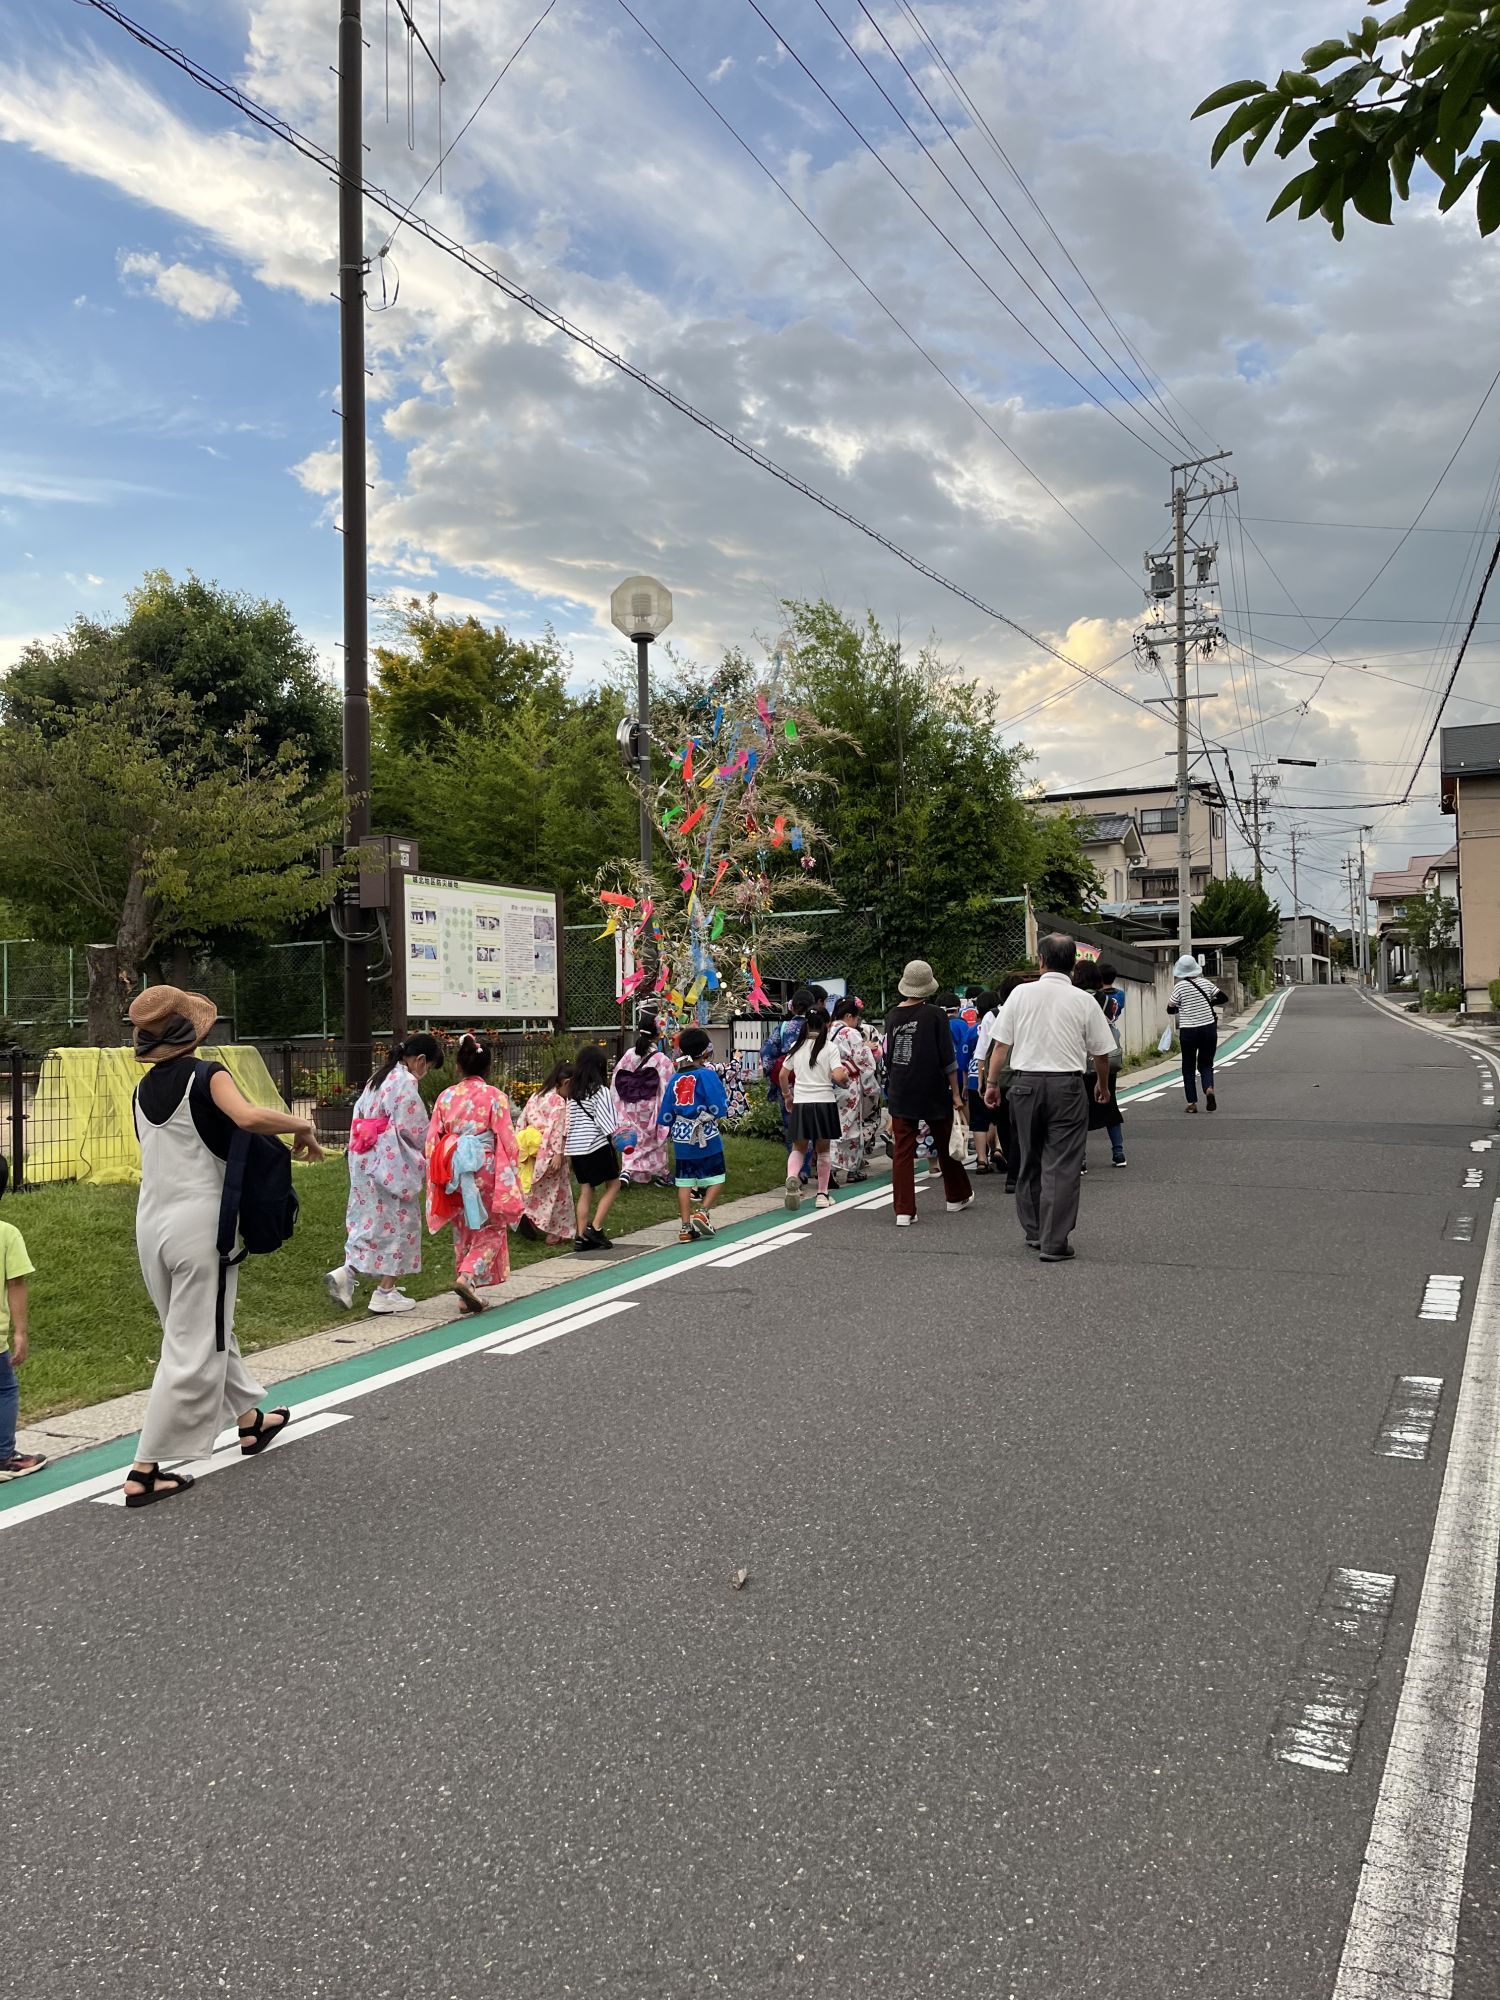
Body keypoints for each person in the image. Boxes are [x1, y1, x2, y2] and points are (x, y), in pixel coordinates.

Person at [124, 985, 324, 1509]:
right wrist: (303, 1125)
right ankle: (144, 1470)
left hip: (151, 1224)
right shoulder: (206, 1075)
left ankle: (251, 1421)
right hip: (199, 1226)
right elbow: (248, 1118)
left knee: (201, 1329)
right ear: (191, 1033)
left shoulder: (142, 1091)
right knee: (193, 1342)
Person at [982, 936, 1114, 1262]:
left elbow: (1000, 1046)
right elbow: (1101, 1052)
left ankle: (1034, 1230)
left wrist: (992, 1084)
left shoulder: (1020, 994)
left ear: (1041, 960)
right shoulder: (1084, 1000)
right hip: (1067, 1087)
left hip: (1024, 1085)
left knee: (1029, 1158)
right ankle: (1054, 1241)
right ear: (1073, 964)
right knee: (1062, 1164)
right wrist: (1102, 1085)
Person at [326, 1032, 443, 1317]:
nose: (426, 1072)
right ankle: (385, 1292)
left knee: (369, 1221)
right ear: (420, 1060)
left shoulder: (378, 1077)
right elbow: (414, 1129)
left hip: (365, 1158)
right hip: (390, 1162)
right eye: (428, 1067)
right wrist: (434, 1144)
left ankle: (346, 1273)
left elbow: (361, 1115)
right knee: (400, 1223)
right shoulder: (405, 1083)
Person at [425, 1033, 522, 1313]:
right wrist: (513, 1170)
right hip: (485, 1166)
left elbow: (432, 1140)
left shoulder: (445, 1096)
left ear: (458, 1067)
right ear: (488, 1068)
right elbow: (507, 1139)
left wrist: (438, 1170)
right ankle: (467, 1278)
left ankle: (465, 1294)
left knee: (464, 1228)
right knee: (493, 1226)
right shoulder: (495, 1096)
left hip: (454, 1167)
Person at [884, 960, 974, 1227]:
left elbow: (889, 1058)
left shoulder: (892, 1016)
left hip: (901, 1087)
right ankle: (956, 1196)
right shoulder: (935, 1014)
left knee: (902, 1150)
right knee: (945, 1141)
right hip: (932, 1087)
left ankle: (904, 1210)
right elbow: (948, 1059)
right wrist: (955, 1093)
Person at [658, 1027, 730, 1241]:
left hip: (681, 1134)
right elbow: (718, 1105)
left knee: (684, 1181)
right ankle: (703, 1211)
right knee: (717, 1176)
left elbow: (667, 1110)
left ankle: (685, 1227)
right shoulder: (706, 1075)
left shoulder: (675, 1078)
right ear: (705, 1051)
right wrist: (717, 1113)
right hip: (704, 1131)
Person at [0, 1155, 45, 1482]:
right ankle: (3, 1456)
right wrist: (20, 1332)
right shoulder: (7, 1234)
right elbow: (15, 1283)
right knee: (5, 1390)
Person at [783, 1002, 849, 1211]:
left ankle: (792, 1178)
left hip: (802, 1102)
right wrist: (845, 1080)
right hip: (824, 1103)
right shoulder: (830, 1048)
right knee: (823, 1151)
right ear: (827, 1025)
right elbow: (838, 1076)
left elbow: (783, 1074)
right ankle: (822, 1194)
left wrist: (787, 1096)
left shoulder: (797, 1046)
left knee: (799, 1148)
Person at [567, 1042, 623, 1250]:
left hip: (575, 1148)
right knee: (614, 1184)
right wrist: (618, 1136)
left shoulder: (573, 1093)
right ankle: (596, 1228)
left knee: (586, 1189)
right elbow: (606, 1122)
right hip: (596, 1144)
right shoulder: (600, 1091)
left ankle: (581, 1236)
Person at [1072, 962, 1127, 1168]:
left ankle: (1081, 1159)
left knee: (1079, 1111)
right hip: (1104, 1059)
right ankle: (1118, 1152)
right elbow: (1112, 1018)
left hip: (1078, 1060)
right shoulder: (1107, 1000)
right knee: (1109, 1103)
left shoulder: (1073, 999)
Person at [613, 1015, 676, 1186]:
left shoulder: (629, 1054)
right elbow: (669, 1084)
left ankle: (627, 1170)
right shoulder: (661, 1059)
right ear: (658, 1035)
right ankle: (661, 1173)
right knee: (654, 1138)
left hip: (630, 1102)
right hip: (651, 1104)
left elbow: (617, 1078)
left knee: (632, 1137)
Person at [517, 1060, 575, 1245]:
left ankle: (528, 1213)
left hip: (532, 1148)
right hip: (550, 1149)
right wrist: (558, 1152)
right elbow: (557, 1128)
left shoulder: (537, 1095)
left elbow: (522, 1119)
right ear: (566, 1083)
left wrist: (521, 1143)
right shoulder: (559, 1102)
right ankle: (555, 1231)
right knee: (558, 1192)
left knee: (536, 1188)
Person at [1168, 953, 1228, 1112]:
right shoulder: (1206, 983)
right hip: (1208, 1029)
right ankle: (1209, 1089)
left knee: (1188, 1066)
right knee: (1206, 1063)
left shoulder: (1180, 986)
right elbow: (1223, 997)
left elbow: (1170, 1008)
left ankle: (1192, 1103)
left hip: (1189, 1031)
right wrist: (1209, 1003)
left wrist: (1182, 1007)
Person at [829, 997, 879, 1183]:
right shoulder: (851, 1033)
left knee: (832, 1125)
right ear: (849, 1016)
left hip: (828, 1082)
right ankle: (851, 1169)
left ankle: (828, 1168)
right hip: (848, 1083)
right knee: (850, 1126)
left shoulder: (827, 1029)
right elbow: (864, 1062)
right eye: (857, 1018)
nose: (857, 1022)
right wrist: (872, 1089)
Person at [965, 990, 1001, 1174]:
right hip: (998, 1075)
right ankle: (999, 1148)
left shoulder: (973, 1030)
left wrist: (965, 1084)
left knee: (978, 1121)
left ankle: (981, 1159)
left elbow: (965, 1057)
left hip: (974, 1076)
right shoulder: (1005, 1020)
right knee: (999, 1116)